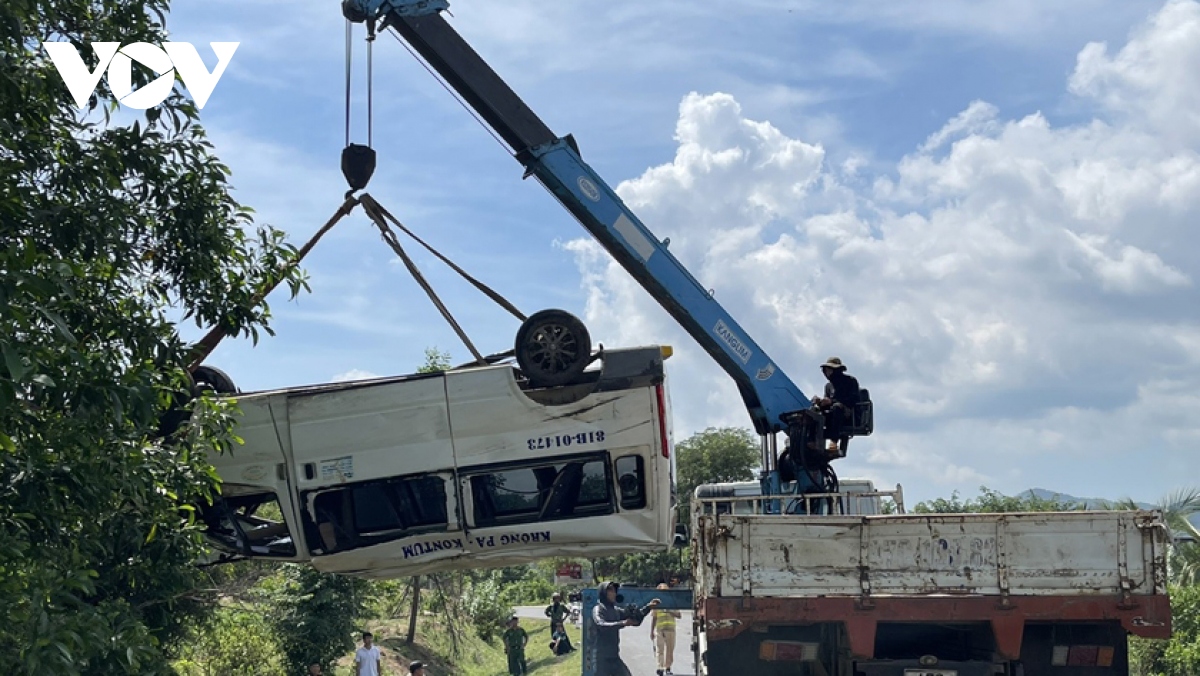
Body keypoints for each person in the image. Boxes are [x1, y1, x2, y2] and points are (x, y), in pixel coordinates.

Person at [592, 580, 661, 676]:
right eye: (610, 590)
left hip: (614, 657)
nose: (613, 593)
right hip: (602, 660)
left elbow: (635, 618)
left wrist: (648, 607)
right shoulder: (598, 609)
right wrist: (622, 623)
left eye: (614, 591)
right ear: (603, 592)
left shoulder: (616, 610)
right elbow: (601, 624)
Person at [813, 357, 861, 454]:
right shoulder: (828, 386)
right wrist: (820, 403)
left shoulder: (850, 381)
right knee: (813, 411)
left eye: (830, 370)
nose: (827, 373)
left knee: (837, 407)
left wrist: (831, 401)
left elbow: (853, 399)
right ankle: (812, 441)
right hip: (832, 412)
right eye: (826, 370)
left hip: (848, 412)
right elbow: (827, 403)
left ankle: (834, 442)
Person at [650, 583, 680, 675]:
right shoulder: (656, 603)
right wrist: (651, 631)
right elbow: (654, 617)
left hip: (670, 629)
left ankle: (668, 668)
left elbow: (679, 615)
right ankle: (660, 668)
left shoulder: (672, 602)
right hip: (660, 629)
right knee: (660, 649)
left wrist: (670, 611)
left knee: (670, 650)